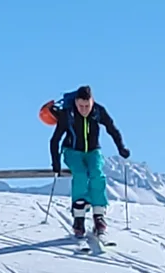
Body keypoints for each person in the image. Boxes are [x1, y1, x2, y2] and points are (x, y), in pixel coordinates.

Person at [48, 85, 129, 245]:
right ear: (76, 103)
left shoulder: (99, 111)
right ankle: (79, 218)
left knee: (97, 174)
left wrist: (121, 148)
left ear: (92, 102)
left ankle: (99, 216)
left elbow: (112, 129)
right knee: (80, 174)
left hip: (93, 151)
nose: (84, 109)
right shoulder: (68, 114)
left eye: (87, 106)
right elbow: (55, 139)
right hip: (72, 151)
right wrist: (55, 162)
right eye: (80, 106)